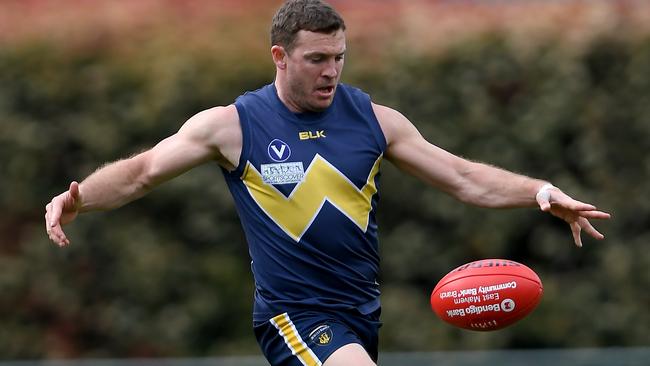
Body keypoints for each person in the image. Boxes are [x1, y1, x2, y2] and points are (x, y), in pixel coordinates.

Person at [44, 0, 611, 365]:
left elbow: (464, 179)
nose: (332, 71)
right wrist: (80, 201)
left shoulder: (374, 120)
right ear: (279, 57)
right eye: (317, 58)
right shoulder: (233, 126)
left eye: (339, 56)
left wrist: (539, 191)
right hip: (294, 314)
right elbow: (143, 172)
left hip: (360, 313)